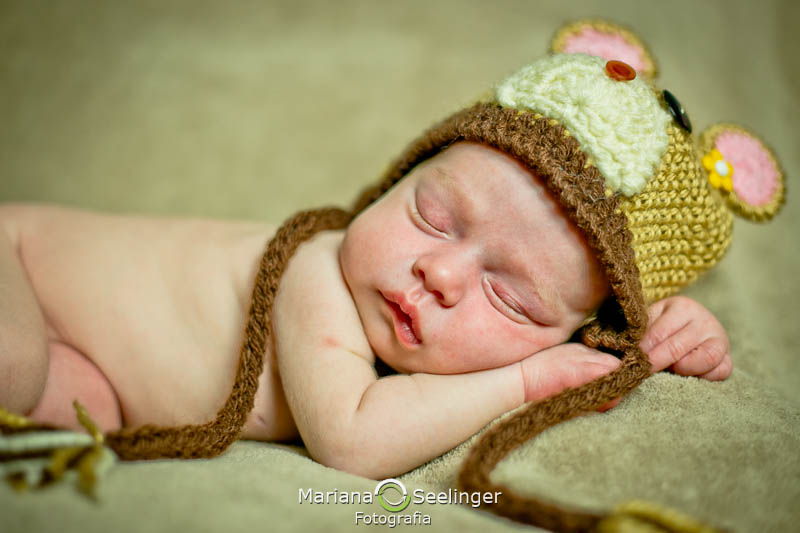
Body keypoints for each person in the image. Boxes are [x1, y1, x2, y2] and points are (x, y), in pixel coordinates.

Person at [0, 43, 782, 480]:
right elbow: (353, 437)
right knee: (15, 364)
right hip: (17, 260)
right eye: (431, 216)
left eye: (511, 299)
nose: (439, 275)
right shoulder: (316, 270)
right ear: (394, 178)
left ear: (579, 328)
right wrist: (523, 378)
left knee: (73, 413)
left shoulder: (554, 331)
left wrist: (667, 334)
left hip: (87, 355)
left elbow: (606, 348)